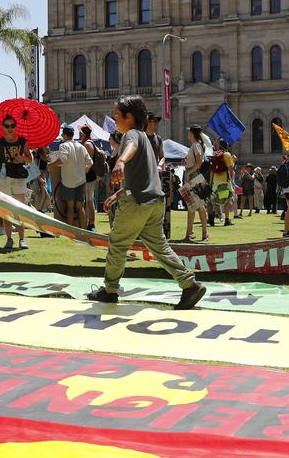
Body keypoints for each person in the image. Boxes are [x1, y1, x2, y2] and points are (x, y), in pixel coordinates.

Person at [86, 95, 206, 310]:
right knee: (159, 246)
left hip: (138, 202)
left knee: (118, 244)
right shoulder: (146, 139)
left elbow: (129, 147)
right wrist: (118, 193)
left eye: (116, 116)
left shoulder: (131, 135)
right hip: (154, 201)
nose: (115, 121)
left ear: (129, 117)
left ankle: (110, 290)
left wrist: (121, 161)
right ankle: (190, 284)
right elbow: (144, 176)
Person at [0, 112, 33, 250]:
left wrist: (23, 159)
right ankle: (9, 239)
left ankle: (22, 239)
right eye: (7, 125)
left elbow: (30, 158)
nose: (10, 128)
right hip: (3, 178)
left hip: (19, 178)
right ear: (3, 127)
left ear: (16, 127)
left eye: (13, 125)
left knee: (20, 209)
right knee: (6, 210)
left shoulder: (23, 141)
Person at [50, 125, 91, 230]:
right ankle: (83, 230)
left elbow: (62, 160)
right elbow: (90, 162)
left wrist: (51, 164)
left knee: (70, 207)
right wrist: (83, 171)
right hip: (81, 180)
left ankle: (71, 231)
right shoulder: (81, 146)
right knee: (80, 207)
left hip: (68, 181)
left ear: (64, 135)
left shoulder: (63, 146)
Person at [182, 126, 210, 242]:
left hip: (194, 176)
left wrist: (188, 172)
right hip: (194, 175)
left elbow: (199, 163)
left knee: (196, 205)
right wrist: (186, 163)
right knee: (194, 206)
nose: (188, 134)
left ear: (192, 133)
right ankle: (192, 233)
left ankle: (202, 233)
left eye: (189, 132)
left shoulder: (196, 145)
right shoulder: (195, 145)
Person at [210, 138, 237, 225]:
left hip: (215, 181)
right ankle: (227, 219)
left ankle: (215, 216)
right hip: (225, 181)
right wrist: (233, 161)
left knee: (215, 200)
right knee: (228, 200)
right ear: (227, 146)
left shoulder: (215, 155)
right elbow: (230, 168)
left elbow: (212, 170)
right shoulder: (227, 154)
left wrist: (211, 181)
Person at [79, 125, 100, 230]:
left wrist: (83, 172)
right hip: (88, 175)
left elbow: (89, 162)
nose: (79, 134)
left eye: (80, 132)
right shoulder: (88, 143)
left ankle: (91, 223)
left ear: (83, 133)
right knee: (89, 199)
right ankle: (89, 222)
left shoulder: (87, 144)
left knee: (89, 200)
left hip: (89, 176)